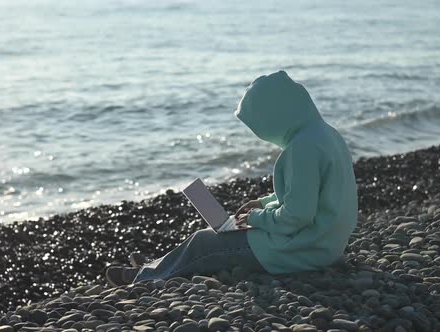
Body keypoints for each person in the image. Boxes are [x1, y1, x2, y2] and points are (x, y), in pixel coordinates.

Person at [106, 70, 358, 286]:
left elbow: (297, 216)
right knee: (213, 234)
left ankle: (142, 278)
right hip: (326, 242)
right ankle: (155, 266)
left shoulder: (302, 149)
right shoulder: (324, 134)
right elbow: (308, 193)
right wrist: (263, 204)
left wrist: (256, 219)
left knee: (204, 242)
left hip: (302, 250)